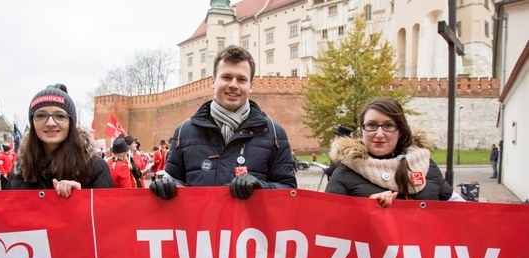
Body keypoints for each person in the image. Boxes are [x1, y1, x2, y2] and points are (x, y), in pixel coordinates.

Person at [150, 45, 296, 200]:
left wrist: (262, 187)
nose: (233, 84)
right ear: (213, 81)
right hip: (201, 223)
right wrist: (166, 186)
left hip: (248, 224)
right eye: (226, 77)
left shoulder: (273, 133)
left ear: (251, 86)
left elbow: (289, 190)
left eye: (241, 79)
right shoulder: (184, 131)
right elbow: (174, 178)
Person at [0, 84, 113, 200]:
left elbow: (110, 225)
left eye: (59, 116)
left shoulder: (95, 167)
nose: (50, 123)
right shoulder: (19, 171)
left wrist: (82, 198)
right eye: (41, 115)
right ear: (33, 122)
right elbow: (2, 220)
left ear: (71, 123)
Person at [325, 97, 464, 207]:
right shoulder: (345, 173)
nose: (379, 134)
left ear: (400, 131)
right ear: (362, 130)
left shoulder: (425, 165)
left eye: (388, 125)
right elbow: (328, 224)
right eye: (371, 125)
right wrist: (368, 207)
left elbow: (463, 212)